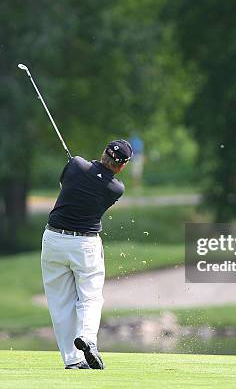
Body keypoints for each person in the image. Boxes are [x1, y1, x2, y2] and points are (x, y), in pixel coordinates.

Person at [40, 139, 133, 369]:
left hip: (53, 239)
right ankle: (88, 338)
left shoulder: (76, 164)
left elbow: (66, 186)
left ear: (103, 152)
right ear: (121, 166)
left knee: (61, 303)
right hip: (85, 245)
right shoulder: (116, 188)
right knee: (90, 297)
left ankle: (72, 360)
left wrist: (80, 166)